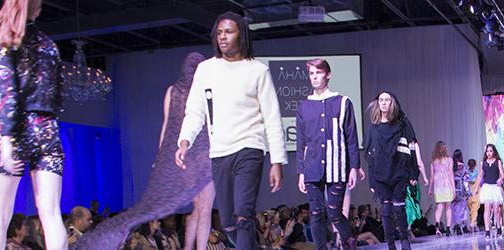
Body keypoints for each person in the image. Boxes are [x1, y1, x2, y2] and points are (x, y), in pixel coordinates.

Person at [74, 53, 216, 250]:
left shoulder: (174, 91)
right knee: (204, 209)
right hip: (202, 156)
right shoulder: (204, 92)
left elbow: (167, 128)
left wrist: (161, 158)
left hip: (185, 157)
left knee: (197, 209)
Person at [174, 11, 287, 249]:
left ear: (241, 34)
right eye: (219, 33)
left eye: (229, 32)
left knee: (244, 214)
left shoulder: (258, 71)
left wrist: (277, 161)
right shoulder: (206, 69)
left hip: (250, 148)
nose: (222, 37)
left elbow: (272, 118)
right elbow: (195, 111)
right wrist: (184, 141)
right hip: (219, 152)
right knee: (227, 222)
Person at [0, 0, 68, 249]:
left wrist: (7, 139)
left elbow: (6, 91)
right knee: (51, 213)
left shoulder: (5, 36)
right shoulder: (49, 45)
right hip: (47, 127)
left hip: (16, 127)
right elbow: (57, 93)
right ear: (36, 9)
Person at [294, 58, 361, 249]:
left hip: (337, 166)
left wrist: (354, 167)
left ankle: (349, 242)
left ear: (328, 74)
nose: (314, 77)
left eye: (318, 72)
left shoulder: (343, 102)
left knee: (334, 212)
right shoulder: (303, 106)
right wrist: (300, 171)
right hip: (312, 167)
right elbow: (301, 141)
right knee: (315, 213)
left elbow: (351, 138)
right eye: (311, 74)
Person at [363, 91, 422, 250]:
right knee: (386, 210)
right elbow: (369, 157)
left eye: (387, 100)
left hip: (398, 171)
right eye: (381, 100)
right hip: (380, 175)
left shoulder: (402, 124)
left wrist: (413, 172)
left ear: (392, 103)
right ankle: (390, 245)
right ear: (377, 103)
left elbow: (411, 148)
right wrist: (372, 181)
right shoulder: (372, 129)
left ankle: (404, 241)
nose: (383, 103)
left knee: (399, 207)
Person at [474, 144, 504, 238]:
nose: (489, 153)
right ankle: (487, 231)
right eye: (487, 151)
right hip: (487, 187)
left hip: (495, 187)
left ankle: (498, 228)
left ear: (494, 152)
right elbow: (480, 175)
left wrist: (501, 179)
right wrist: (476, 187)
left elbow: (502, 174)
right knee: (487, 208)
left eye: (491, 151)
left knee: (496, 210)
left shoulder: (498, 161)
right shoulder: (483, 162)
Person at [429, 141, 456, 237]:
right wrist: (453, 189)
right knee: (448, 207)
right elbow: (451, 174)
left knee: (439, 206)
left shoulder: (433, 160)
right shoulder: (449, 160)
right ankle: (448, 228)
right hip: (447, 184)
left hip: (438, 185)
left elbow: (432, 176)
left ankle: (437, 225)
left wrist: (429, 189)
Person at [451, 149, 471, 234]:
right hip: (461, 188)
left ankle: (458, 226)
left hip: (453, 188)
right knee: (462, 208)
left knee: (455, 209)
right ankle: (463, 225)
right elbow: (466, 178)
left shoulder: (452, 166)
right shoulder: (462, 166)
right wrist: (468, 190)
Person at [466, 159, 480, 232]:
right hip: (475, 191)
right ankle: (473, 223)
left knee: (471, 209)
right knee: (475, 208)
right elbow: (478, 182)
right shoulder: (477, 173)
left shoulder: (466, 173)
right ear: (475, 165)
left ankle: (474, 223)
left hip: (469, 192)